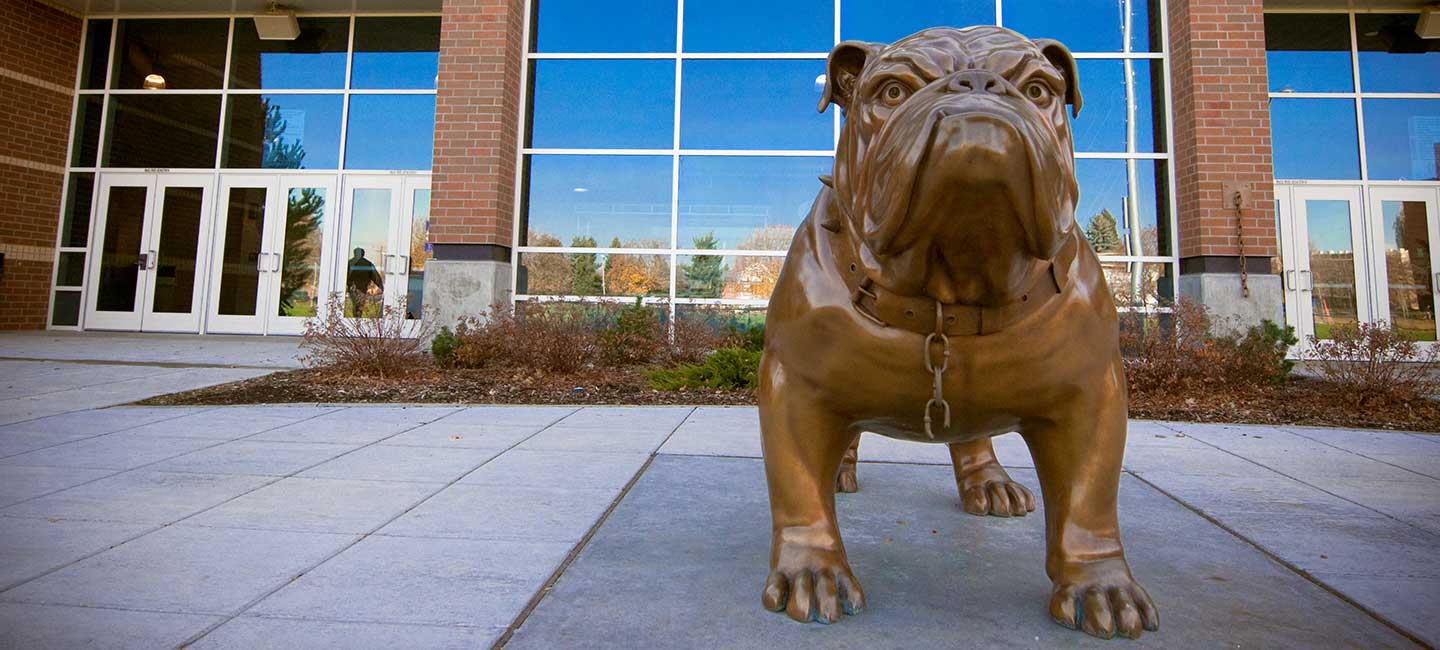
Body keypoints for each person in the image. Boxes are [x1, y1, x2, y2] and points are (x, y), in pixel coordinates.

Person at [346, 247, 384, 312]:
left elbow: (375, 277)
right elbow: (376, 277)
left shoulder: (349, 263)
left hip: (354, 288)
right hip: (360, 288)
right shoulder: (368, 264)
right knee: (358, 306)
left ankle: (356, 317)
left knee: (356, 306)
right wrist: (381, 286)